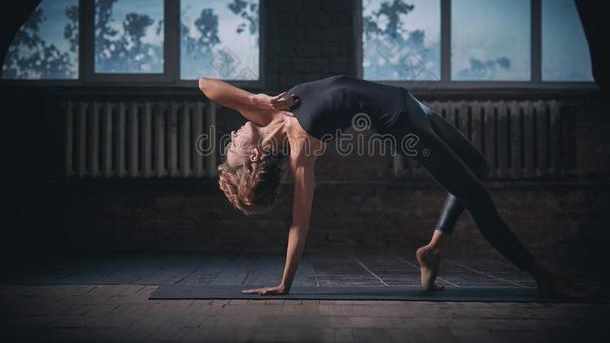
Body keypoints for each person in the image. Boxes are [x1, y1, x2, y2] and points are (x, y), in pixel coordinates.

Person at [198, 74, 567, 297]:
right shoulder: (301, 149)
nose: (230, 137)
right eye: (233, 148)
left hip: (409, 102)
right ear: (257, 156)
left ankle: (433, 249)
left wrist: (255, 97)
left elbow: (206, 85)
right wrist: (285, 283)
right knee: (478, 196)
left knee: (477, 166)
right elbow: (300, 221)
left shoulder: (265, 109)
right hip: (400, 123)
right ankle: (537, 272)